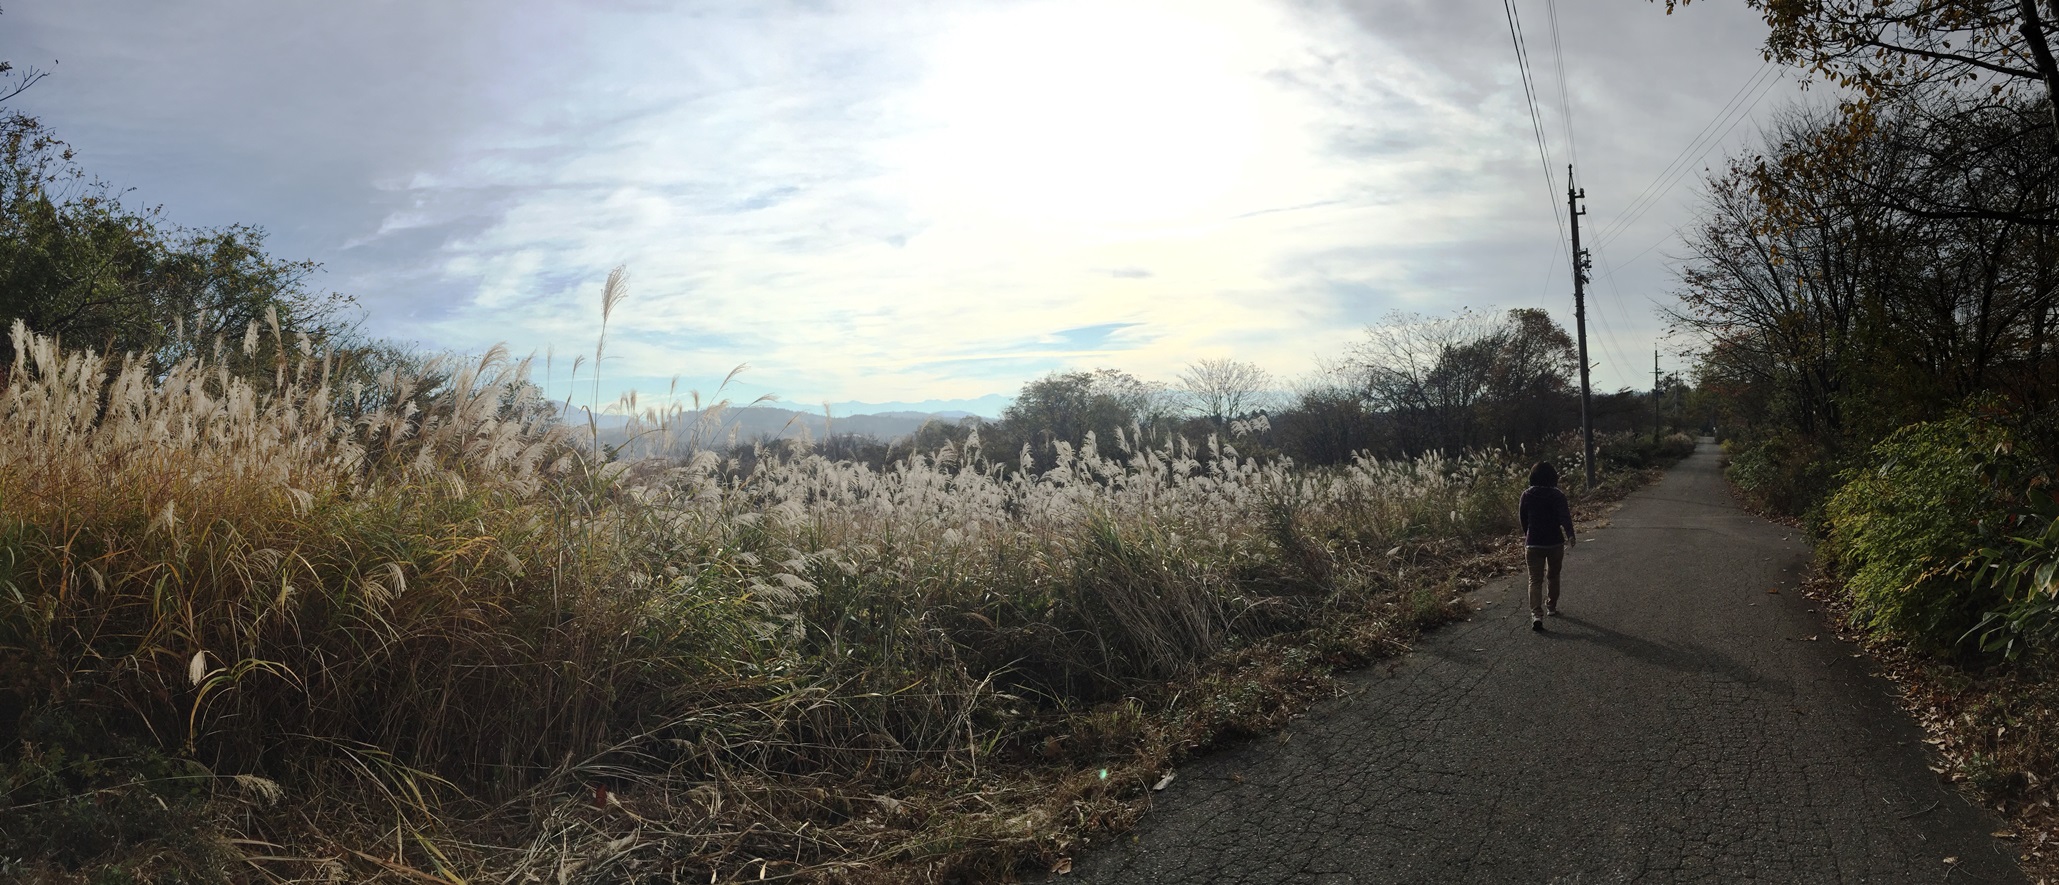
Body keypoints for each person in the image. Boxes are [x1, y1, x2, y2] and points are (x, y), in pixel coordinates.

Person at [1518, 461, 1576, 631]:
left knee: (1534, 580)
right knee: (1553, 575)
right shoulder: (1558, 495)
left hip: (1533, 543)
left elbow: (1523, 518)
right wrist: (1570, 534)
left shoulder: (1526, 495)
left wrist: (1527, 533)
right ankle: (1551, 606)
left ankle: (1536, 614)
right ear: (1553, 477)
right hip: (1554, 542)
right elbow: (1565, 516)